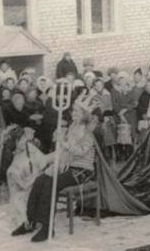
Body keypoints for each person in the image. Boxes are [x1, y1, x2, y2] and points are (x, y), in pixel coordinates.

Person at [12, 95, 98, 242]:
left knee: (50, 184)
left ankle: (47, 228)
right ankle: (30, 221)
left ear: (84, 114)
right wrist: (57, 160)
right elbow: (65, 151)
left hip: (82, 170)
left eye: (77, 111)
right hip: (68, 166)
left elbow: (81, 151)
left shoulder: (88, 130)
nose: (73, 113)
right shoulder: (73, 126)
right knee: (40, 180)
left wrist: (63, 143)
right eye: (73, 111)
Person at [6, 126, 48, 229]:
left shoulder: (27, 148)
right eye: (23, 140)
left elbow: (42, 160)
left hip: (29, 191)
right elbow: (24, 185)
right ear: (16, 143)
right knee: (26, 223)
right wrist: (37, 175)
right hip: (20, 197)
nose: (25, 142)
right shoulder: (12, 168)